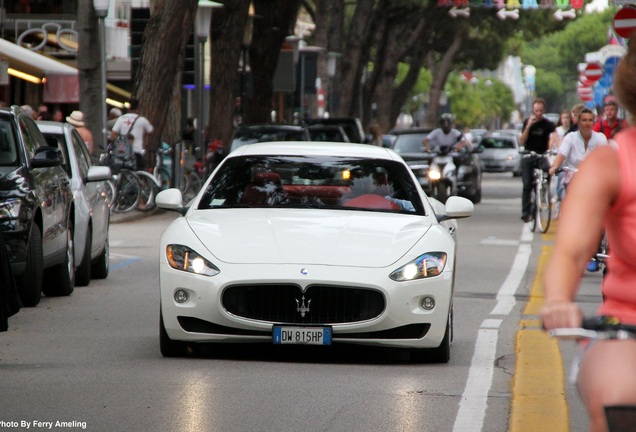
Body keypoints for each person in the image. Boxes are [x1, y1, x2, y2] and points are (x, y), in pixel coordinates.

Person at [541, 35, 636, 432]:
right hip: (627, 327)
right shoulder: (610, 162)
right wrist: (559, 299)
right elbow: (572, 252)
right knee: (620, 395)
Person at [548, 108, 608, 189]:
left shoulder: (600, 138)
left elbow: (605, 156)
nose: (587, 123)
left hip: (592, 178)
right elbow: (562, 153)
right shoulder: (570, 137)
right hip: (572, 178)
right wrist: (555, 167)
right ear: (578, 122)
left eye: (590, 120)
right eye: (584, 120)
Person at [519, 97, 556, 223]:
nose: (538, 113)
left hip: (542, 155)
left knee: (548, 170)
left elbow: (555, 137)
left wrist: (557, 149)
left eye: (540, 111)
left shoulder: (549, 124)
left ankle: (544, 192)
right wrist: (529, 126)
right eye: (536, 111)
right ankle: (526, 212)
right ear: (533, 110)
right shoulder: (527, 122)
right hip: (529, 155)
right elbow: (522, 141)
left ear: (544, 110)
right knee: (527, 184)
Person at [109, 98, 154, 170]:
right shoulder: (142, 120)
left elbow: (112, 135)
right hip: (137, 151)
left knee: (121, 170)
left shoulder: (121, 118)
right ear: (138, 107)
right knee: (141, 171)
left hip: (123, 151)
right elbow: (151, 130)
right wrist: (143, 134)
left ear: (129, 107)